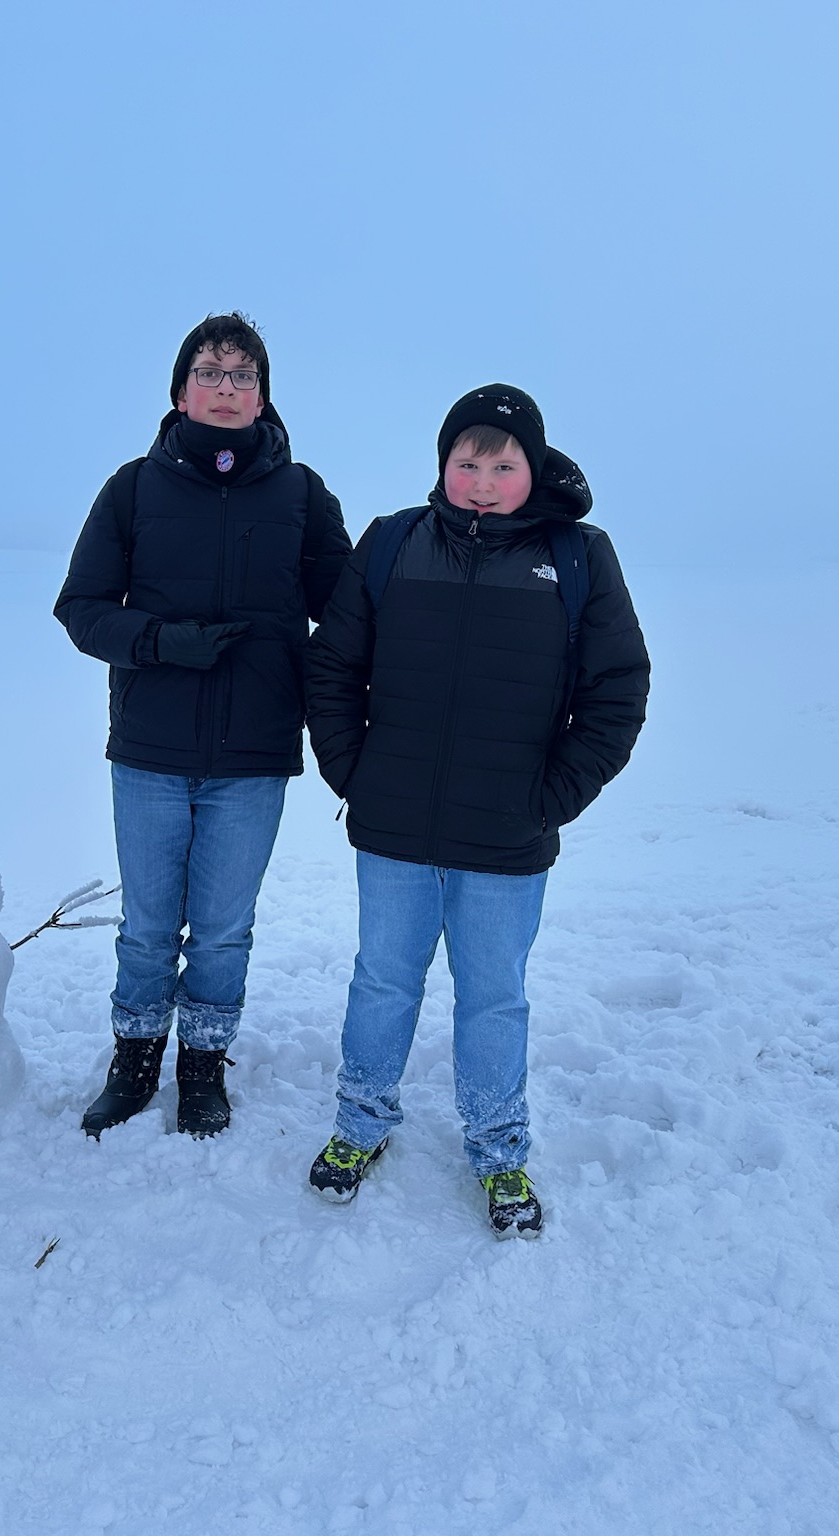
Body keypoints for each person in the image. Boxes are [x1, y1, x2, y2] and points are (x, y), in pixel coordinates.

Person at [302, 384, 649, 1236]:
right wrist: (353, 772)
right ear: (443, 465)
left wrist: (552, 798)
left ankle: (498, 1148)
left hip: (506, 836)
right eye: (467, 464)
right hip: (394, 828)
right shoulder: (393, 543)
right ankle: (360, 1122)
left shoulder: (577, 557)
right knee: (382, 981)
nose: (483, 483)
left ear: (534, 469)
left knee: (493, 996)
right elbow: (333, 665)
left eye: (503, 466)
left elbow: (617, 691)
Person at [55, 314, 352, 1138]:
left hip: (253, 755)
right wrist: (158, 641)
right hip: (150, 751)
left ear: (262, 395)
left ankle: (202, 1067)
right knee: (148, 928)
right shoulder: (133, 489)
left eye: (243, 375)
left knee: (223, 932)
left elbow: (349, 609)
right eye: (210, 373)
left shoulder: (301, 495)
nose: (227, 388)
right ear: (181, 391)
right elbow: (80, 608)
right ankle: (134, 1061)